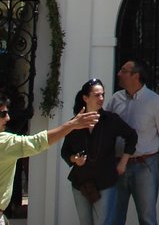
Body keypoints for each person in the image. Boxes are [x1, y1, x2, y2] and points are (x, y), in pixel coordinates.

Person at [0, 91, 98, 225]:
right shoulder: (4, 143)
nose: (8, 118)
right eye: (3, 114)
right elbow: (37, 142)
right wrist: (71, 125)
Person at [105, 59, 159, 225]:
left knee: (147, 217)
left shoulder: (155, 102)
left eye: (123, 71)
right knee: (114, 216)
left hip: (145, 166)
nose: (119, 74)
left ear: (135, 76)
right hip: (118, 166)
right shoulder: (116, 99)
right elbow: (105, 128)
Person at [61, 78, 138, 225]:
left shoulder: (110, 119)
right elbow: (65, 152)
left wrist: (123, 162)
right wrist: (74, 158)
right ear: (85, 98)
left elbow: (132, 136)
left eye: (103, 94)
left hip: (105, 181)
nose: (101, 98)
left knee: (104, 222)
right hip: (81, 182)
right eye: (97, 95)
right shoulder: (75, 123)